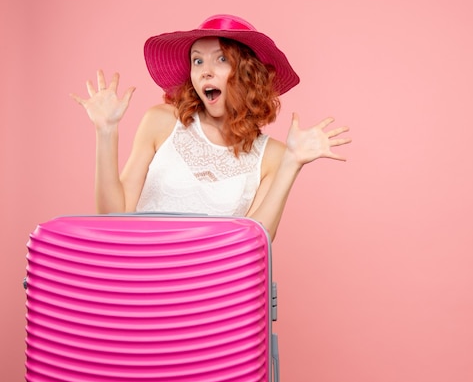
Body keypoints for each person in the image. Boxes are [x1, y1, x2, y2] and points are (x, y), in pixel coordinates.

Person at [71, 14, 351, 241]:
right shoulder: (161, 122)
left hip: (212, 297)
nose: (205, 70)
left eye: (221, 59)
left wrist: (292, 163)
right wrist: (106, 131)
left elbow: (254, 242)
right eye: (197, 60)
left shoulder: (273, 155)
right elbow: (113, 215)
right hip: (142, 284)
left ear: (248, 73)